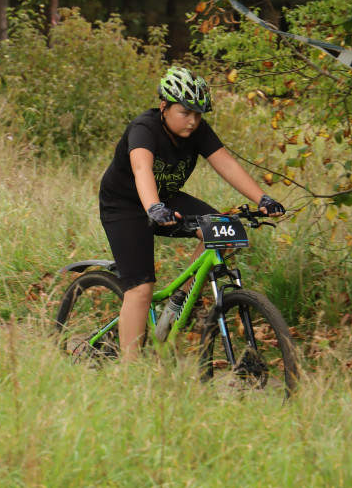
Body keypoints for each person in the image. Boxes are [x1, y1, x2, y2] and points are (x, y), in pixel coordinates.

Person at [98, 66, 285, 361]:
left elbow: (227, 165)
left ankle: (178, 301)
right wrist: (154, 207)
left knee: (222, 231)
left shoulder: (197, 131)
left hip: (166, 200)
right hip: (125, 206)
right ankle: (130, 373)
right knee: (141, 288)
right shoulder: (144, 129)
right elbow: (141, 169)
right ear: (164, 107)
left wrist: (262, 197)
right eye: (185, 112)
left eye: (198, 114)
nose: (193, 120)